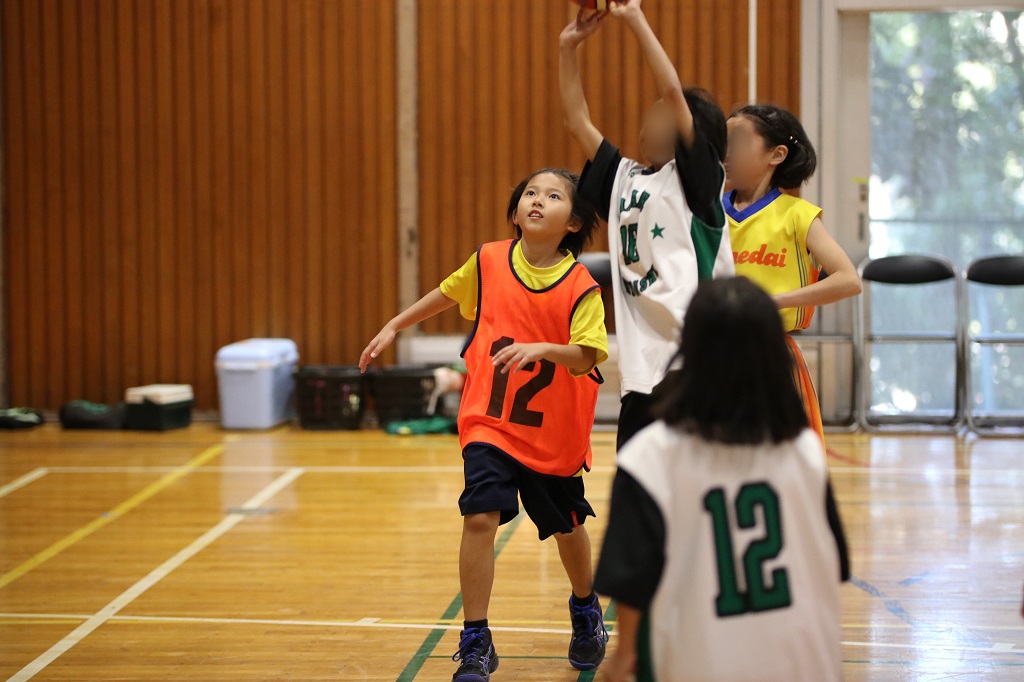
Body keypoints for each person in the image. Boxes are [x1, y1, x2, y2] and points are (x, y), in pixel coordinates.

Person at [360, 168, 610, 680]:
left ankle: (585, 609)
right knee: (479, 517)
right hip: (489, 423)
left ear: (574, 222)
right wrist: (393, 325)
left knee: (567, 527)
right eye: (530, 194)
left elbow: (587, 357)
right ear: (516, 212)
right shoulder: (489, 260)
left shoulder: (581, 285)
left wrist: (543, 348)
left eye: (553, 195)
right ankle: (475, 638)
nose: (538, 200)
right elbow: (444, 293)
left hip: (550, 435)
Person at [594, 277, 851, 682]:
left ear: (691, 351)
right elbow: (832, 566)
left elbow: (631, 582)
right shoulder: (805, 451)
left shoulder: (650, 456)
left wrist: (624, 654)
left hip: (702, 661)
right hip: (803, 663)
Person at [559, 0, 734, 451]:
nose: (651, 116)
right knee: (640, 492)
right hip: (642, 368)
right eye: (652, 110)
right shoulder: (625, 178)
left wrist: (633, 16)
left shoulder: (696, 180)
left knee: (689, 496)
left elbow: (674, 92)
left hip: (697, 358)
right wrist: (567, 48)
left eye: (662, 113)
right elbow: (576, 120)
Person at [724, 104, 862, 441]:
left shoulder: (799, 216)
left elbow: (848, 280)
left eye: (738, 141)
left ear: (777, 154)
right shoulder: (707, 213)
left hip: (770, 355)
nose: (726, 152)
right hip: (712, 354)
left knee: (784, 467)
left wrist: (775, 301)